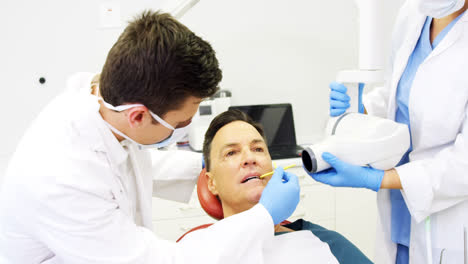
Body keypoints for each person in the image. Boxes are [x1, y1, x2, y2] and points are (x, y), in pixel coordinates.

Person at [0, 11, 300, 264]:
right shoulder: (61, 178)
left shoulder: (107, 95)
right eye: (183, 119)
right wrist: (263, 214)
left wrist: (219, 167)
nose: (190, 122)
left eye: (255, 149)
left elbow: (134, 160)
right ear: (139, 116)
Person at [311, 0, 468, 263]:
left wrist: (377, 179)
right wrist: (361, 110)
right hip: (398, 212)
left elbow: (463, 166)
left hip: (449, 218)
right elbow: (396, 94)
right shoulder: (413, 14)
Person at [182, 109, 372, 264]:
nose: (250, 159)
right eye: (231, 153)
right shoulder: (195, 250)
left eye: (258, 149)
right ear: (211, 183)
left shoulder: (325, 242)